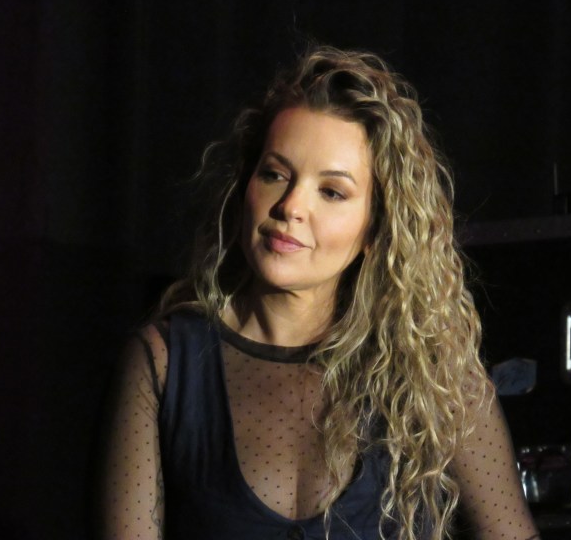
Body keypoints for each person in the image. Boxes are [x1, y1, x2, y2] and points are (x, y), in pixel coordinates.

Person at [97, 46, 540, 540]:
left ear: (376, 228)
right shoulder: (163, 363)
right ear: (244, 186)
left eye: (331, 192)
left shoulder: (437, 377)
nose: (290, 206)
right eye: (275, 174)